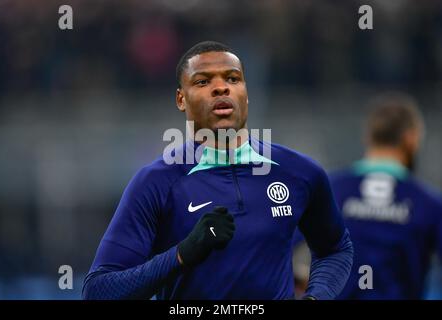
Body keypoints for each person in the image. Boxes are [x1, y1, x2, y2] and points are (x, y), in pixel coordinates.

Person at [82, 41, 353, 300]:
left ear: (246, 94)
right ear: (181, 99)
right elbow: (99, 290)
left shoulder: (299, 173)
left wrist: (316, 296)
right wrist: (182, 255)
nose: (221, 88)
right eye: (203, 81)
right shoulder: (155, 183)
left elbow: (335, 249)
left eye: (232, 79)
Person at [328, 93, 442, 299]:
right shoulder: (428, 204)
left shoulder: (330, 189)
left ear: (368, 137)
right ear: (411, 139)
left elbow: (283, 247)